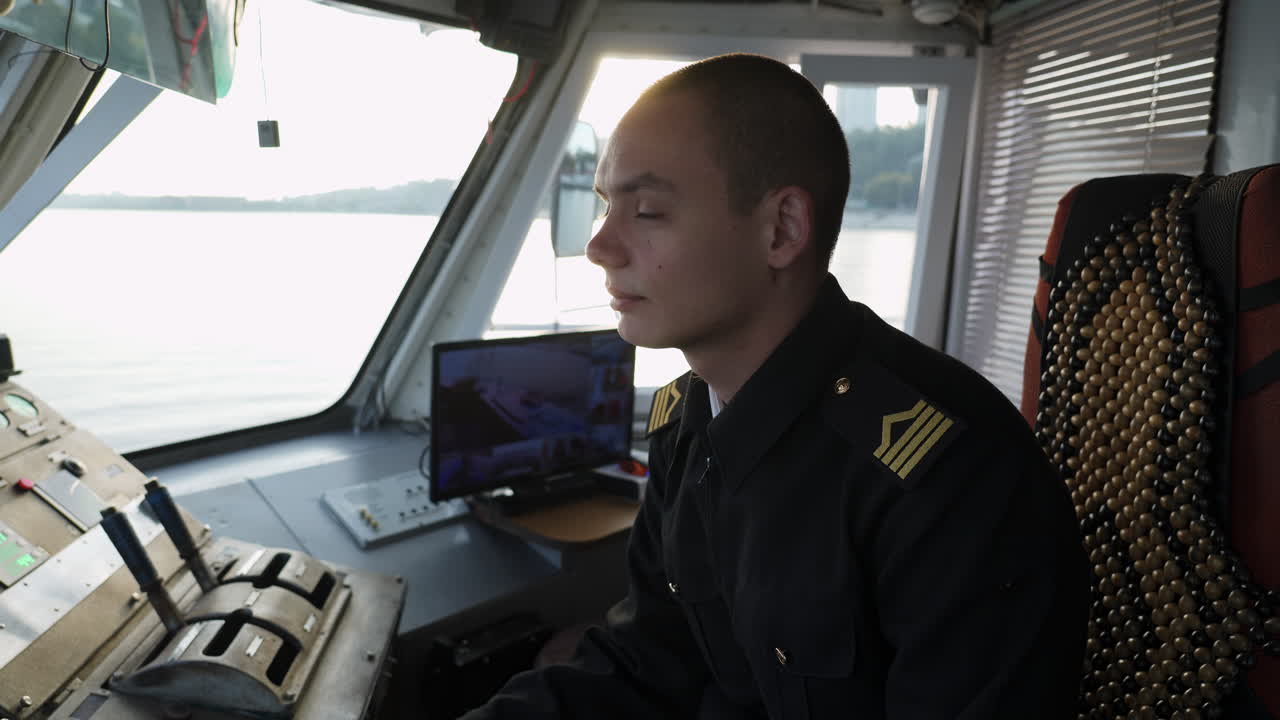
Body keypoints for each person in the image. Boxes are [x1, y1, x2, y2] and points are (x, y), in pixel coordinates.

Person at [463, 53, 1088, 720]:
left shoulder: (952, 480)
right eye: (606, 205)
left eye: (645, 211)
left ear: (783, 229)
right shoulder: (687, 422)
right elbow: (650, 660)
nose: (600, 246)